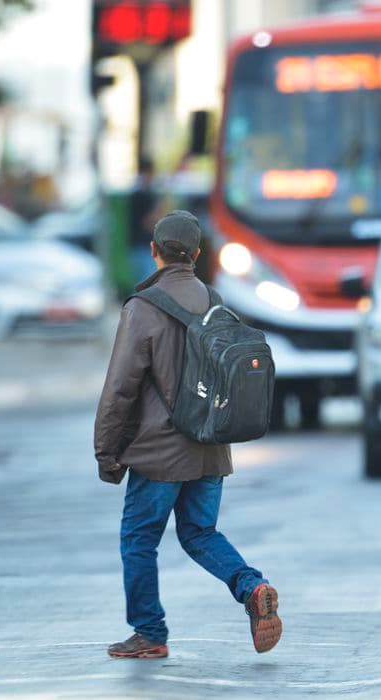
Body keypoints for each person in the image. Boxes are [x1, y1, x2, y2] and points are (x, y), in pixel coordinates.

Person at [95, 210, 282, 659]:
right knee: (199, 532)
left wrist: (107, 451)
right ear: (197, 254)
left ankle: (150, 633)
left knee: (139, 540)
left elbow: (122, 386)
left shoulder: (142, 308)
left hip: (159, 453)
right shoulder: (216, 303)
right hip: (210, 447)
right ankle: (251, 586)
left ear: (155, 252)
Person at [129, 157, 161, 282]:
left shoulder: (136, 194)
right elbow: (149, 222)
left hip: (139, 246)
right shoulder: (143, 196)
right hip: (144, 247)